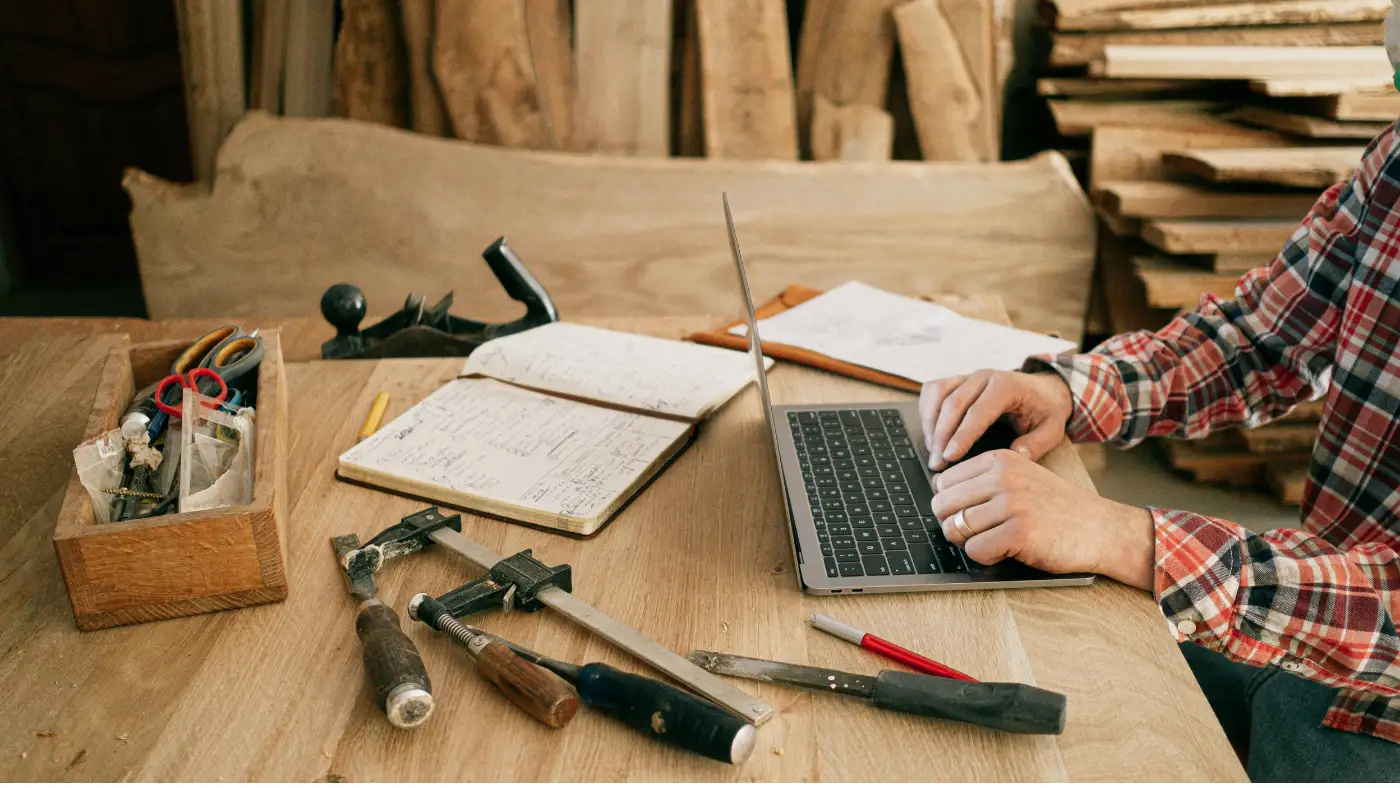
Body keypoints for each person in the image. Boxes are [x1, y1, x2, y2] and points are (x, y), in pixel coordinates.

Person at [917, 12, 1400, 781]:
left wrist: (1130, 540)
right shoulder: (1396, 167)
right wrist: (1070, 391)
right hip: (1306, 627)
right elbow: (1257, 338)